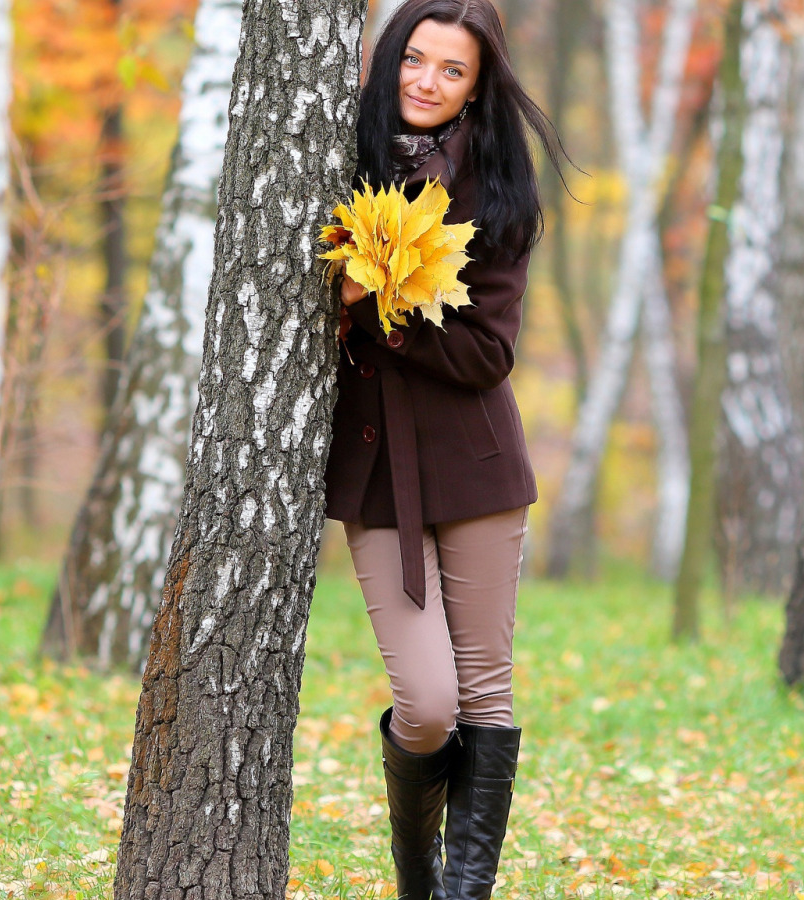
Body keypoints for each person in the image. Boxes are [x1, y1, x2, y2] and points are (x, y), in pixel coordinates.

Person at [323, 0, 566, 896]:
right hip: (376, 470)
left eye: (450, 70)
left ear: (477, 86)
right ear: (388, 61)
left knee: (486, 698)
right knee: (427, 707)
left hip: (476, 468)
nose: (425, 82)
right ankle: (416, 870)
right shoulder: (334, 159)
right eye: (413, 60)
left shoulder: (496, 185)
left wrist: (379, 308)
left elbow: (486, 353)